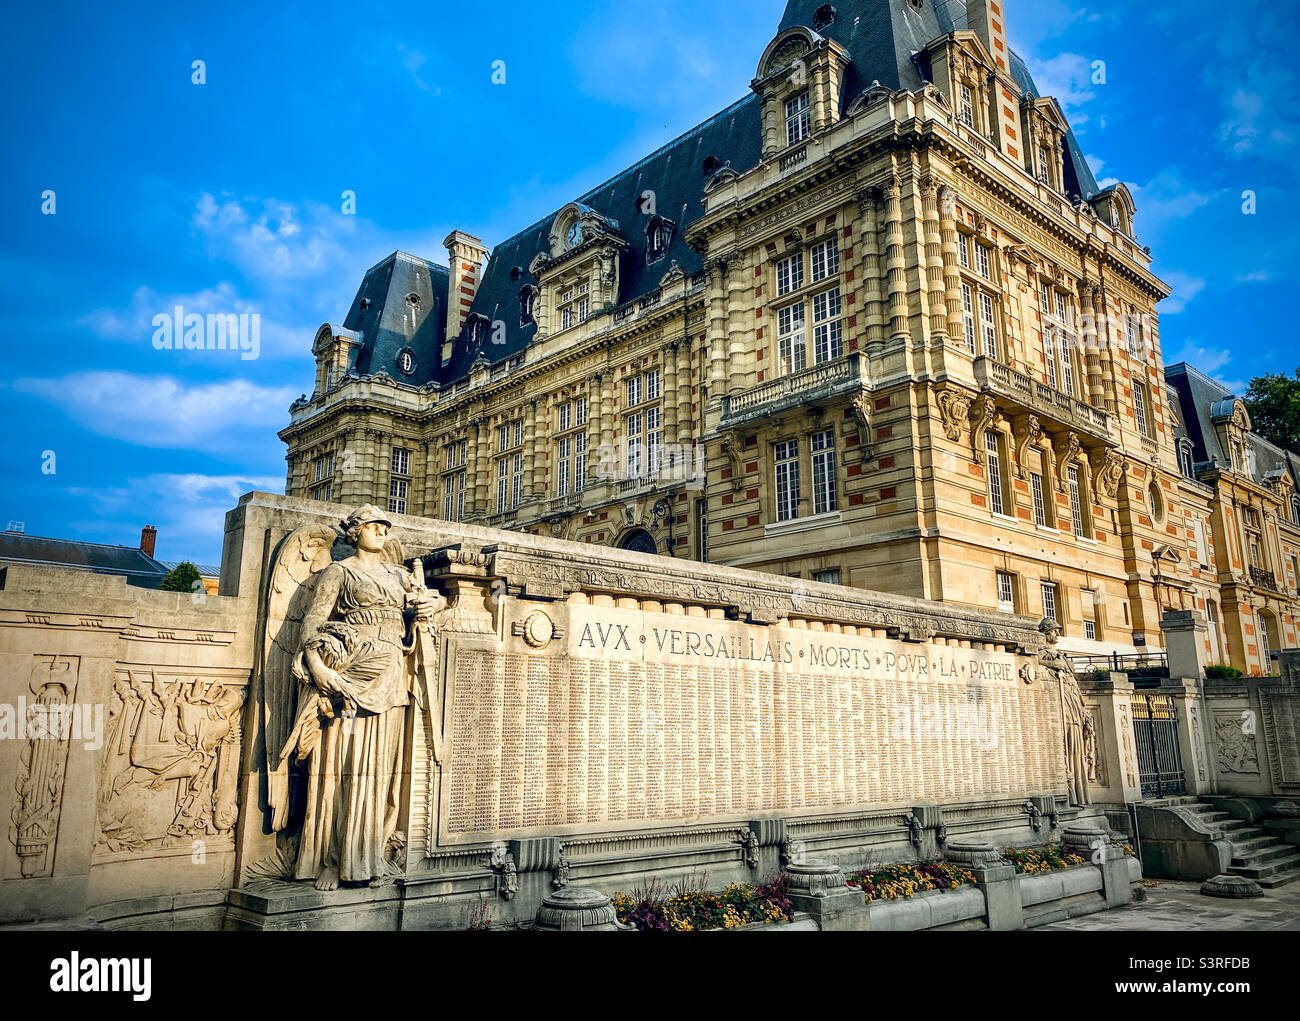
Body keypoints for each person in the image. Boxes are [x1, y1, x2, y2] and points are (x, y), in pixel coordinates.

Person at [283, 505, 442, 890]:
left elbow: (434, 605)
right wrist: (316, 665)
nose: (381, 532)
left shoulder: (399, 575)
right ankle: (330, 858)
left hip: (389, 672)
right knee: (340, 764)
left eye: (385, 527)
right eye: (373, 526)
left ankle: (366, 857)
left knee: (378, 769)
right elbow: (313, 621)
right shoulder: (340, 572)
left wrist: (431, 604)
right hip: (349, 670)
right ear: (355, 532)